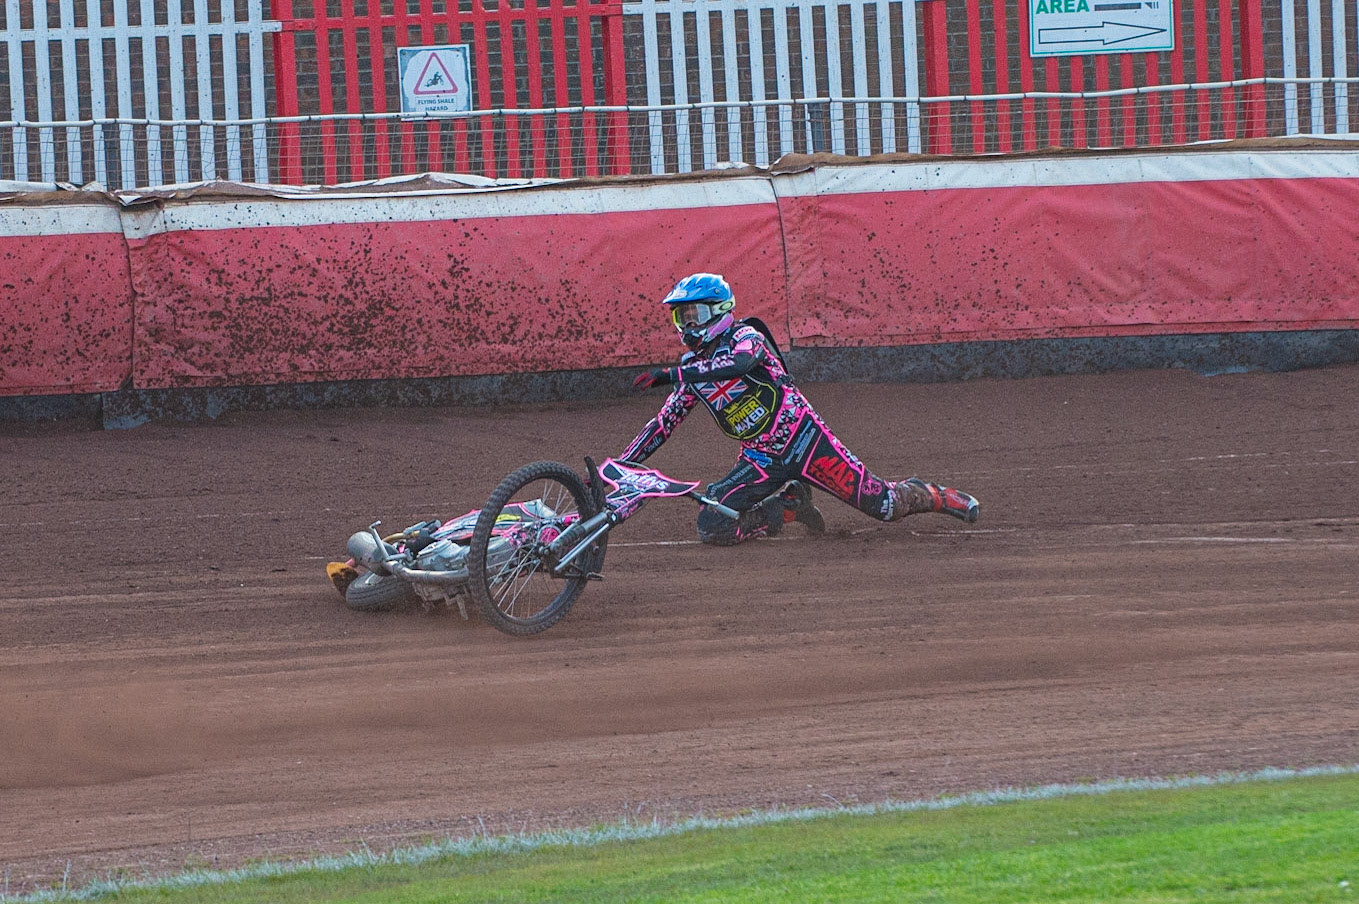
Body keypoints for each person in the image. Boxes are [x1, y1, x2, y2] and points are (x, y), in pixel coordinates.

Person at [622, 272, 980, 546]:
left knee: (885, 506)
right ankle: (788, 508)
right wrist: (623, 464)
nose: (687, 326)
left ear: (720, 311)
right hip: (760, 460)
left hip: (807, 443)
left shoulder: (746, 337)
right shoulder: (693, 370)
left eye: (695, 315)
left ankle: (935, 496)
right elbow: (664, 424)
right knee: (713, 523)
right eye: (681, 318)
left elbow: (740, 363)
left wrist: (672, 374)